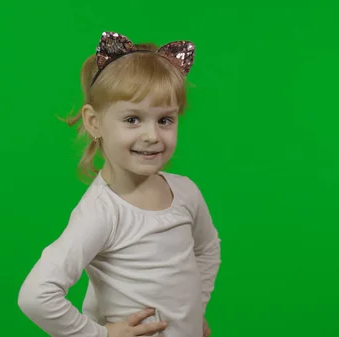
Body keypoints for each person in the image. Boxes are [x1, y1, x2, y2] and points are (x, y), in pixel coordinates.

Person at [18, 31, 221, 337]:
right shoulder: (103, 213)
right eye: (132, 119)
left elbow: (207, 249)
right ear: (94, 122)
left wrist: (196, 309)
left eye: (165, 120)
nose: (152, 135)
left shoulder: (185, 192)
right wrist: (103, 334)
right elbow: (36, 297)